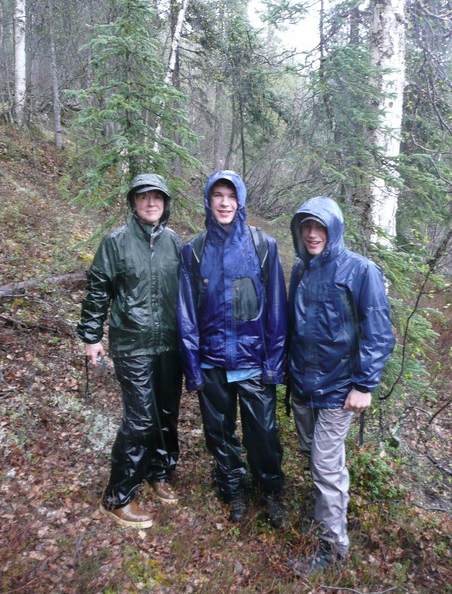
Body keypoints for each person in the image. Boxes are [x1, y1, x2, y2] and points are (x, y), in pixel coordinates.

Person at [288, 196, 395, 572]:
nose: (313, 234)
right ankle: (323, 516)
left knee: (326, 466)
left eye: (320, 227)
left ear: (334, 229)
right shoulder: (300, 272)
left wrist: (364, 385)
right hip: (303, 387)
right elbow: (294, 328)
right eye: (307, 226)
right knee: (314, 459)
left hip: (338, 391)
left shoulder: (360, 271)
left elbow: (379, 332)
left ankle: (332, 548)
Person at [177, 170, 287, 527]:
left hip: (254, 362)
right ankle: (232, 488)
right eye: (217, 196)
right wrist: (193, 369)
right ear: (208, 201)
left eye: (230, 196)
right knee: (220, 435)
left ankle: (270, 491)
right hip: (212, 363)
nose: (224, 203)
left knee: (264, 435)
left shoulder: (262, 246)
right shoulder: (193, 251)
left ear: (240, 201)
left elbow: (276, 311)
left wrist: (273, 364)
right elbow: (187, 314)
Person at [77, 173, 183, 528]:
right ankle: (118, 495)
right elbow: (97, 292)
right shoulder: (116, 242)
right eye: (144, 197)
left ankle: (160, 473)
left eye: (157, 197)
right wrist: (92, 337)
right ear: (134, 203)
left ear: (165, 203)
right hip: (131, 344)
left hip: (169, 344)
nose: (151, 203)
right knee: (139, 419)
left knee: (166, 412)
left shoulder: (176, 243)